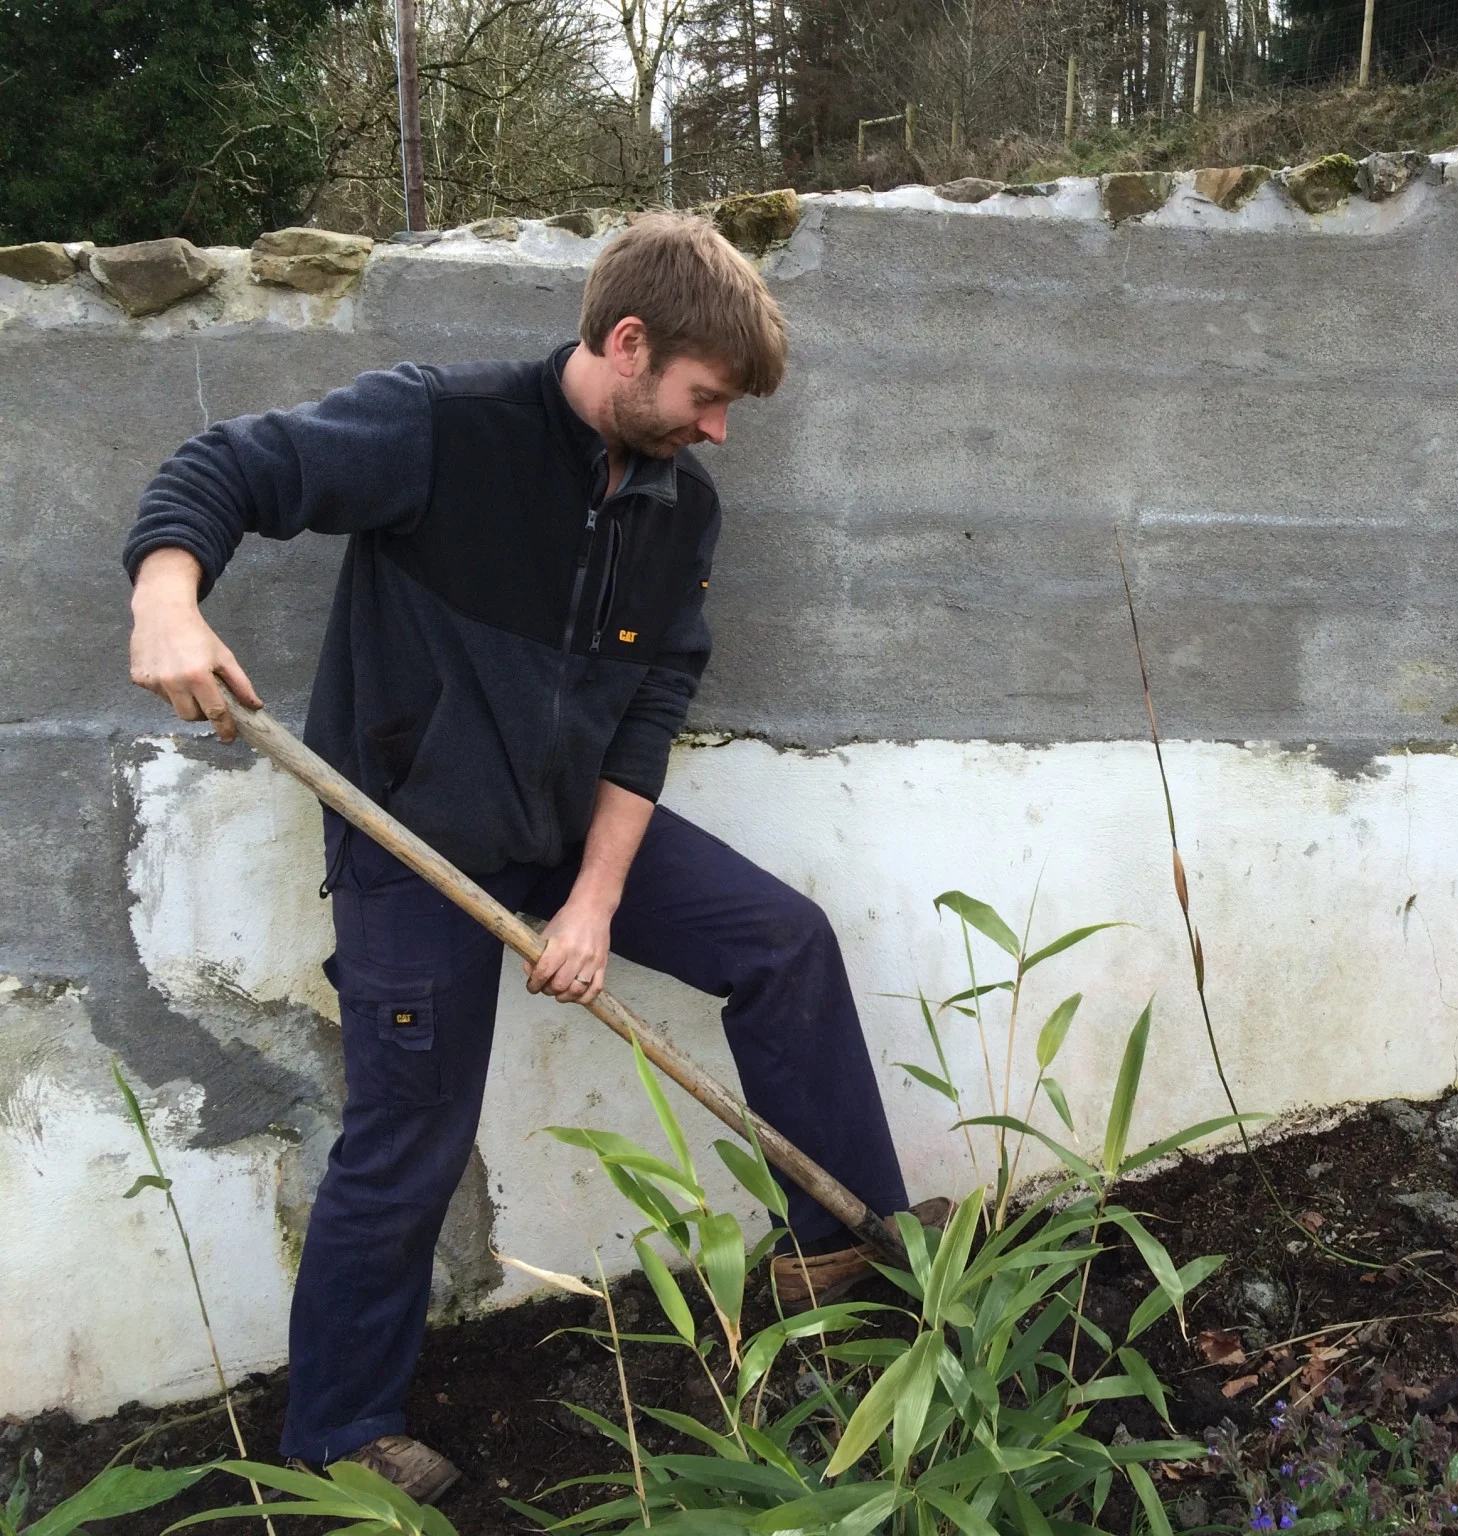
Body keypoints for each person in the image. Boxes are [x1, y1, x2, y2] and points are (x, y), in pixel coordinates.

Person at [122, 213, 946, 1503]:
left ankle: (837, 1249)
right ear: (628, 344)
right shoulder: (439, 429)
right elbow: (227, 468)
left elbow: (650, 712)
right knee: (410, 1132)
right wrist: (167, 597)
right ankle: (335, 1438)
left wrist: (598, 901)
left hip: (571, 830)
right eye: (705, 397)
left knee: (783, 945)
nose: (717, 428)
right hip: (416, 842)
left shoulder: (682, 508)